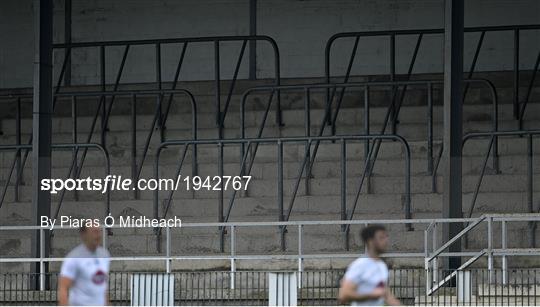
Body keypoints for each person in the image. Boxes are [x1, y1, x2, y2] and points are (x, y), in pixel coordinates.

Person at [338, 225, 400, 306]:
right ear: (370, 241)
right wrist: (371, 295)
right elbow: (343, 295)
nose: (386, 241)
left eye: (386, 237)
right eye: (381, 238)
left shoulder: (382, 265)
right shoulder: (360, 265)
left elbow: (386, 295)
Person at [58, 225, 111, 306]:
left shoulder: (105, 255)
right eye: (94, 232)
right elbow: (63, 288)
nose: (98, 235)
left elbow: (102, 286)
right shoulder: (73, 258)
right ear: (84, 235)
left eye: (99, 231)